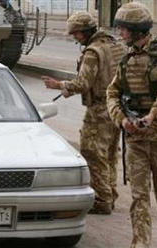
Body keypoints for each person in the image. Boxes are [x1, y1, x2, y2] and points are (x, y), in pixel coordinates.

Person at [106, 2, 157, 248]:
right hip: (136, 140)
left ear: (138, 30)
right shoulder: (126, 58)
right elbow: (112, 93)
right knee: (139, 198)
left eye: (124, 28)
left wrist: (151, 117)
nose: (120, 32)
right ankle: (141, 244)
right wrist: (122, 119)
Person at [41, 11, 125, 215]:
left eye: (77, 33)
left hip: (99, 110)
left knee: (93, 153)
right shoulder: (114, 44)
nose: (75, 37)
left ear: (86, 31)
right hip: (117, 108)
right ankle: (110, 194)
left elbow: (83, 83)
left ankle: (101, 199)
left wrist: (58, 85)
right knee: (110, 153)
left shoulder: (93, 52)